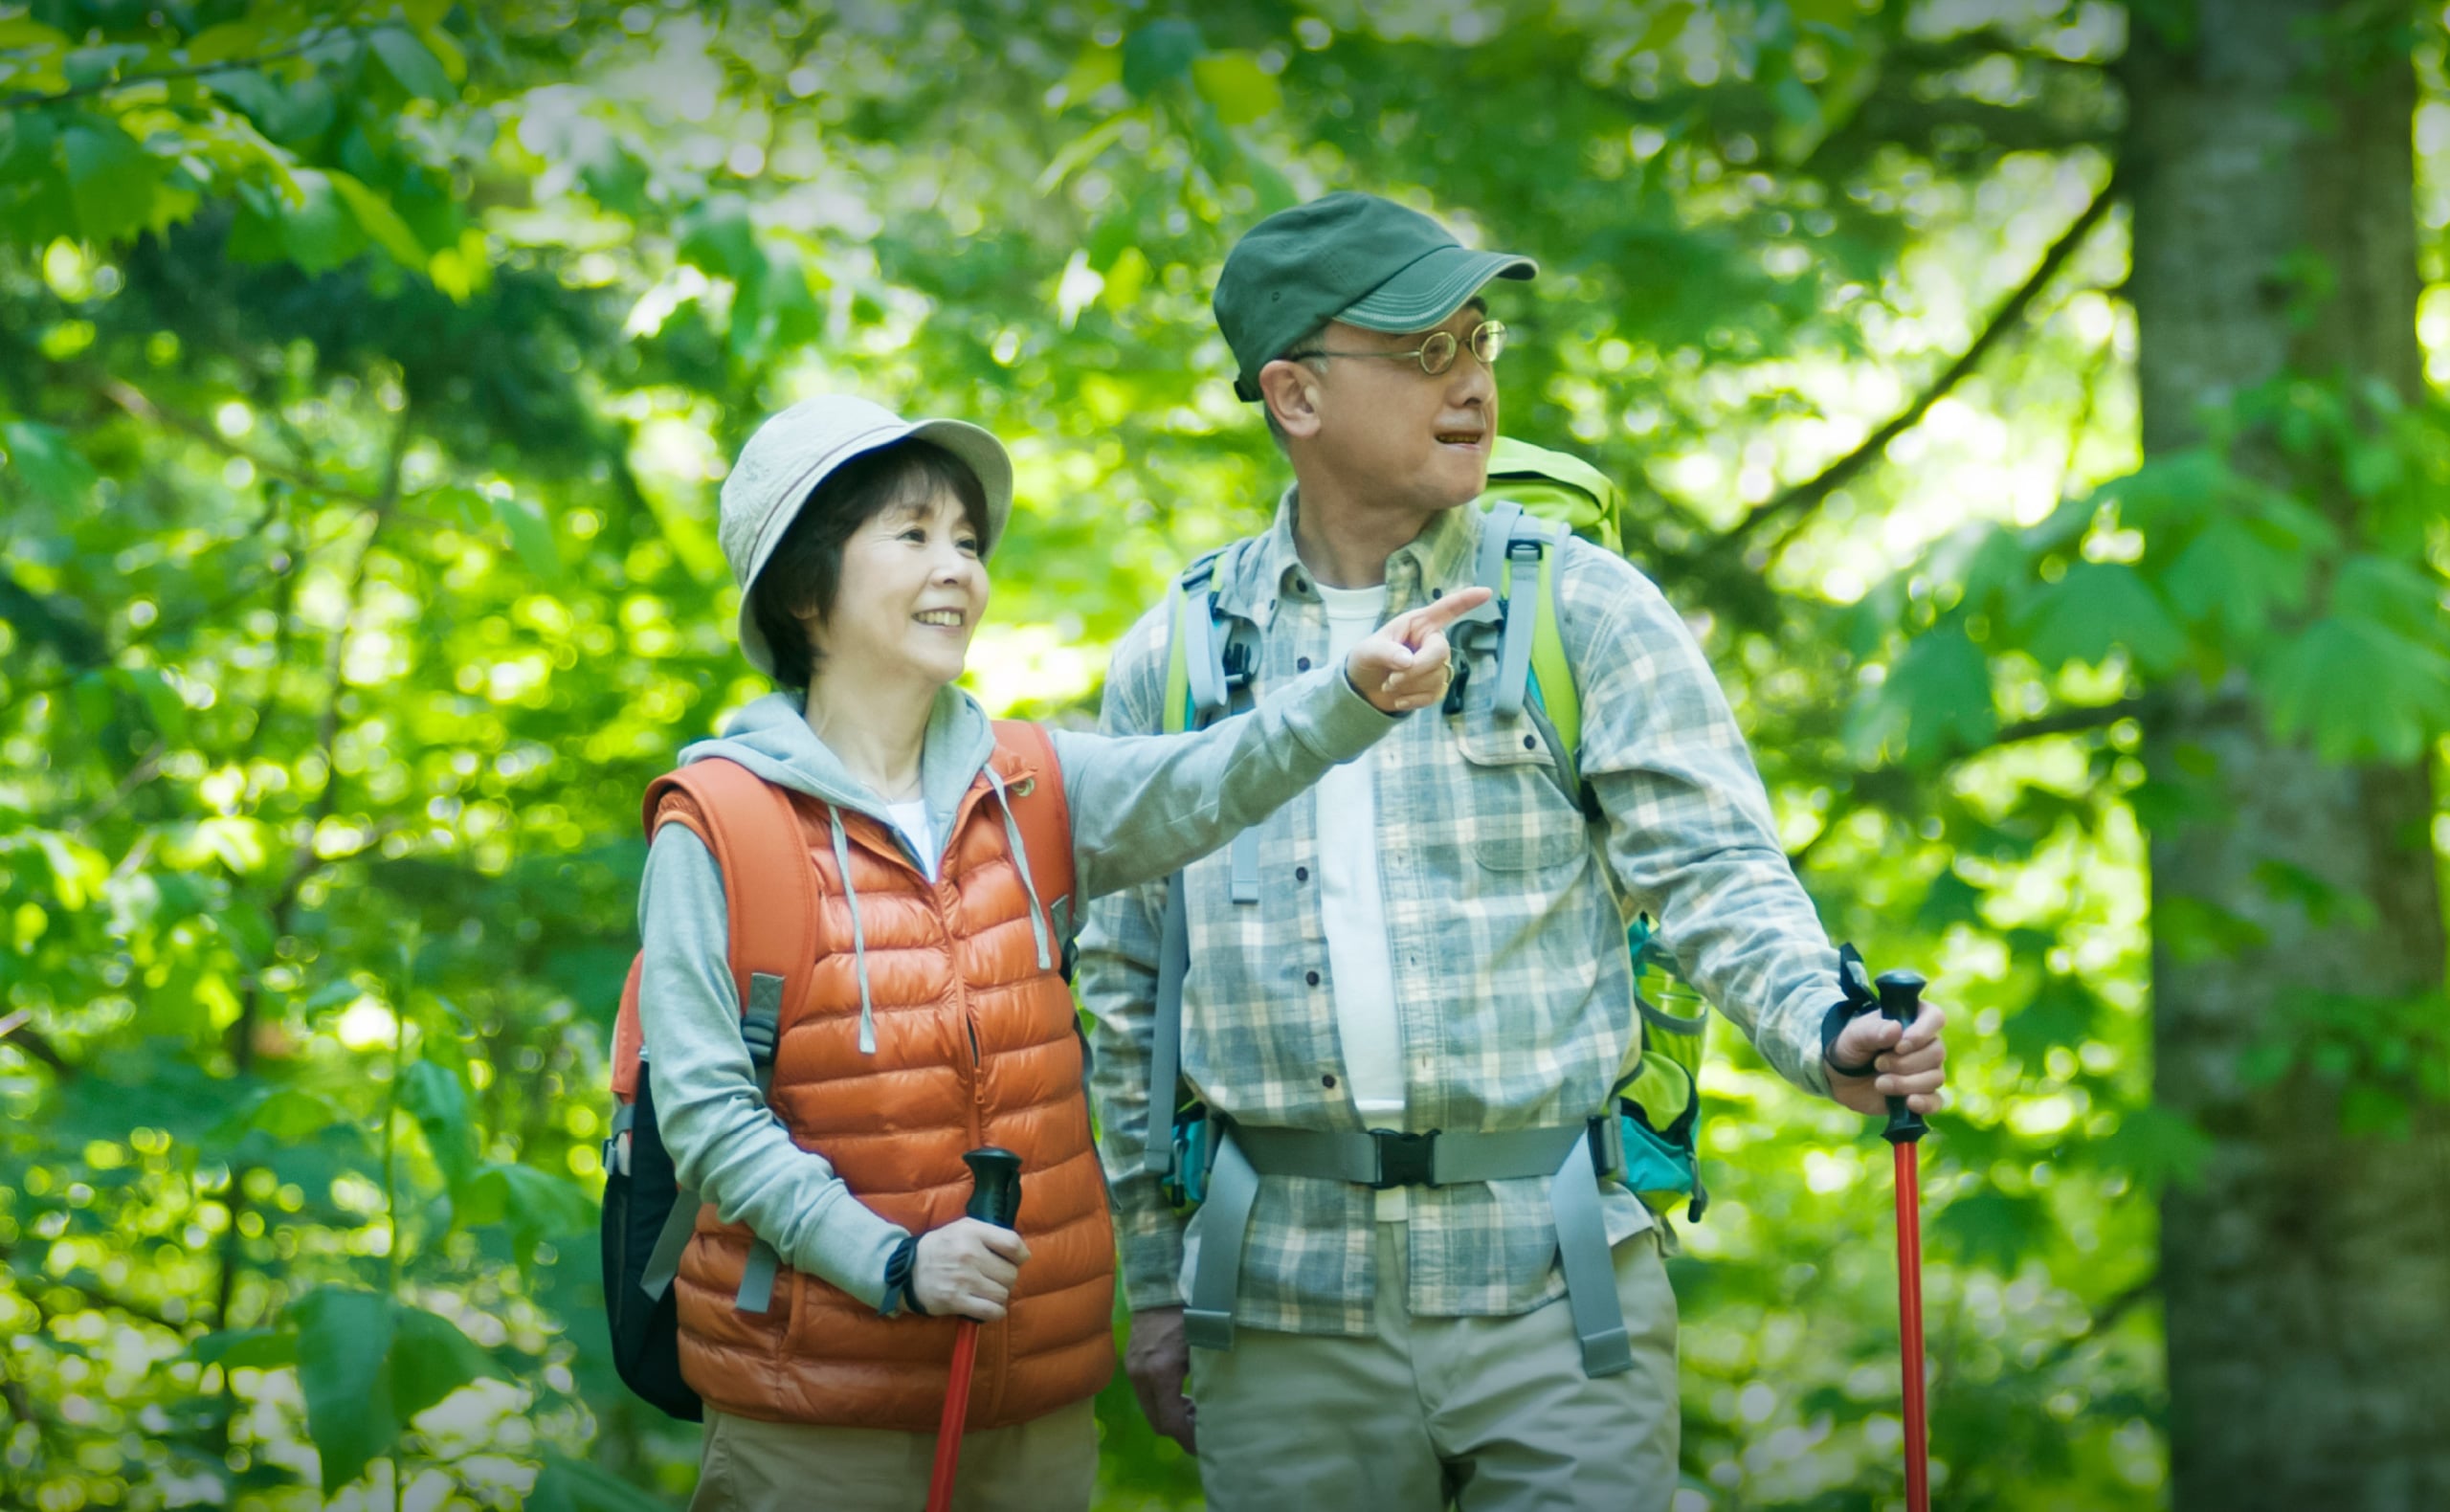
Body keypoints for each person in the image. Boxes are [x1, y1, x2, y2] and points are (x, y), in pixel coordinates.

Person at [1078, 192, 1951, 1510]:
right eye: (1426, 351)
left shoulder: (1583, 608)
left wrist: (1824, 1026)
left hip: (1554, 1294)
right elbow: (1127, 989)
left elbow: (1716, 875)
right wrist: (1154, 1284)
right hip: (1275, 1309)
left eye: (1480, 340)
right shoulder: (1182, 659)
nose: (1476, 381)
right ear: (1294, 396)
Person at [637, 392, 1486, 1511]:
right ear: (804, 588)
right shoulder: (723, 822)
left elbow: (1209, 775)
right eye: (911, 535)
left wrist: (1348, 696)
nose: (956, 567)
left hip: (1028, 1404)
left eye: (967, 541)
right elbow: (704, 1114)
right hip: (812, 1417)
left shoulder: (1031, 781)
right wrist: (891, 1259)